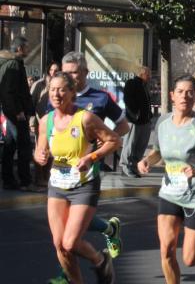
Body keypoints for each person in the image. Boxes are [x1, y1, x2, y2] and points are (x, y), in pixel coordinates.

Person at [137, 75, 195, 282]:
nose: (184, 96)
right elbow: (158, 151)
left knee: (190, 258)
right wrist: (147, 160)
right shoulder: (162, 122)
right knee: (167, 251)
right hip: (170, 194)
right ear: (172, 95)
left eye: (190, 92)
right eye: (180, 91)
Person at [47, 51, 129, 284]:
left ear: (84, 73)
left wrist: (100, 147)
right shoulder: (55, 96)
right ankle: (106, 235)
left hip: (88, 171)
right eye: (65, 72)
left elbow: (122, 127)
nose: (69, 77)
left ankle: (76, 269)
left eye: (73, 72)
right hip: (61, 176)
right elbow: (49, 128)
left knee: (72, 233)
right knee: (64, 235)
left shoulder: (100, 98)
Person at [0, 36, 35, 191]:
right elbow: (9, 92)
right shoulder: (14, 64)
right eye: (26, 47)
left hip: (10, 112)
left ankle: (9, 180)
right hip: (14, 114)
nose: (28, 50)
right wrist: (18, 112)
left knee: (10, 146)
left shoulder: (12, 63)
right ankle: (24, 181)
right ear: (20, 48)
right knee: (23, 146)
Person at [30, 62, 61, 187]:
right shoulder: (39, 84)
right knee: (41, 149)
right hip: (41, 122)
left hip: (55, 121)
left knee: (52, 150)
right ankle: (38, 178)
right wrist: (32, 122)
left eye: (56, 70)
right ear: (48, 71)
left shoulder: (60, 84)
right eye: (51, 70)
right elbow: (31, 104)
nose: (53, 72)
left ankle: (47, 177)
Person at [120, 66, 153, 177]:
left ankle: (134, 166)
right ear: (142, 73)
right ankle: (126, 166)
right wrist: (135, 115)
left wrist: (149, 115)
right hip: (134, 121)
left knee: (141, 145)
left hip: (145, 120)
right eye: (148, 74)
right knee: (130, 144)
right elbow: (128, 100)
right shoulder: (132, 83)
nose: (150, 76)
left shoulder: (144, 86)